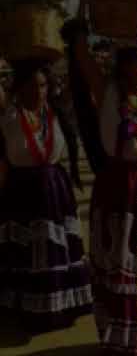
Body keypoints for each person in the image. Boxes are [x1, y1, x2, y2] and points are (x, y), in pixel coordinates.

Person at [62, 18, 137, 355]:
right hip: (115, 188)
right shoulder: (107, 91)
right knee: (117, 258)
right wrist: (78, 33)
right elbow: (83, 60)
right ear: (122, 68)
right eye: (132, 66)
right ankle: (116, 336)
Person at [0, 59, 92, 331]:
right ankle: (27, 309)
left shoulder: (55, 115)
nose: (36, 92)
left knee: (55, 249)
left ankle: (58, 306)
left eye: (41, 85)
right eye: (29, 86)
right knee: (26, 253)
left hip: (54, 190)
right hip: (21, 190)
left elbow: (82, 88)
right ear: (17, 89)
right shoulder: (9, 117)